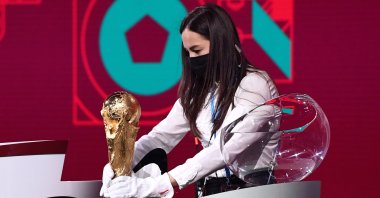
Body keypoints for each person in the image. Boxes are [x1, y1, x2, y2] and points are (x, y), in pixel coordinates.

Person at [100, 3, 279, 198]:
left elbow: (224, 148)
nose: (192, 59)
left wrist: (156, 185)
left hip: (254, 190)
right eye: (188, 53)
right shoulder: (198, 93)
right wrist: (121, 162)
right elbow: (160, 137)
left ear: (221, 45)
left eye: (197, 50)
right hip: (209, 190)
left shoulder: (254, 84)